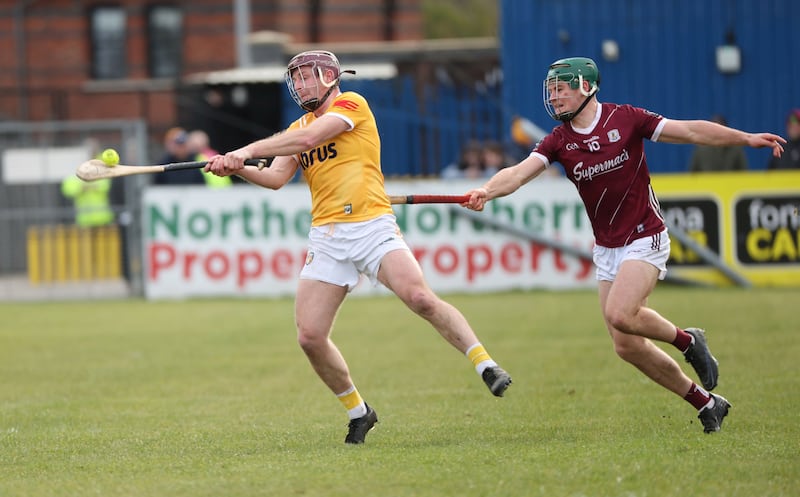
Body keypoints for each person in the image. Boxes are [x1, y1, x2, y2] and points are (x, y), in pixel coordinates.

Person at [463, 57, 786, 434]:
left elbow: (691, 132)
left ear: (587, 87)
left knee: (620, 313)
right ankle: (706, 403)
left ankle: (688, 340)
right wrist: (486, 190)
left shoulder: (627, 118)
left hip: (645, 236)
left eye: (561, 89)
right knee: (625, 346)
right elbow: (518, 173)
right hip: (608, 249)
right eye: (551, 90)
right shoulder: (558, 140)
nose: (555, 97)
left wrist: (745, 138)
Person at [205, 50, 512, 444]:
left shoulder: (352, 105)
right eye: (295, 79)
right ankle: (359, 411)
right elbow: (277, 178)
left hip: (370, 225)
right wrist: (237, 168)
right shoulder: (297, 127)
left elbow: (312, 137)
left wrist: (248, 150)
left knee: (419, 297)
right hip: (327, 237)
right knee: (310, 336)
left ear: (330, 77)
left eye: (307, 77)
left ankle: (484, 364)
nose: (300, 85)